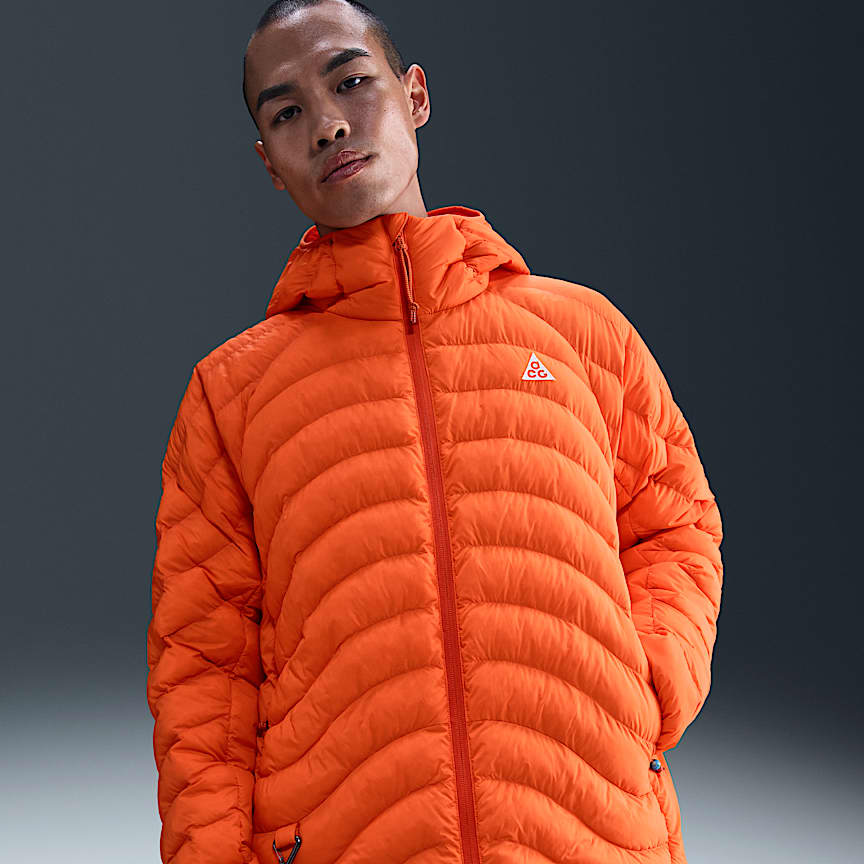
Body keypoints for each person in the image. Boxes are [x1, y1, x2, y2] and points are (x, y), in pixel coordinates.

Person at [145, 2, 724, 863]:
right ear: (269, 161)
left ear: (414, 96)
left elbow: (676, 528)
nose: (329, 124)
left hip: (592, 832)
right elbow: (203, 666)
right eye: (288, 112)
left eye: (351, 81)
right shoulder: (233, 394)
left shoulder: (582, 333)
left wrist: (641, 685)